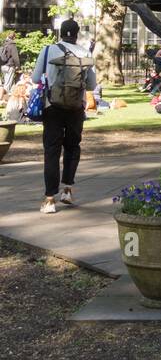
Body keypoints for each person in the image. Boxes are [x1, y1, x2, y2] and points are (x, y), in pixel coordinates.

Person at [31, 18, 96, 214]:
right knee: (72, 147)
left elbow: (35, 78)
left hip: (53, 106)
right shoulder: (85, 53)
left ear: (61, 32)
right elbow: (92, 85)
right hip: (76, 107)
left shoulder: (48, 50)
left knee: (51, 151)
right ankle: (67, 189)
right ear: (77, 33)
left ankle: (50, 199)